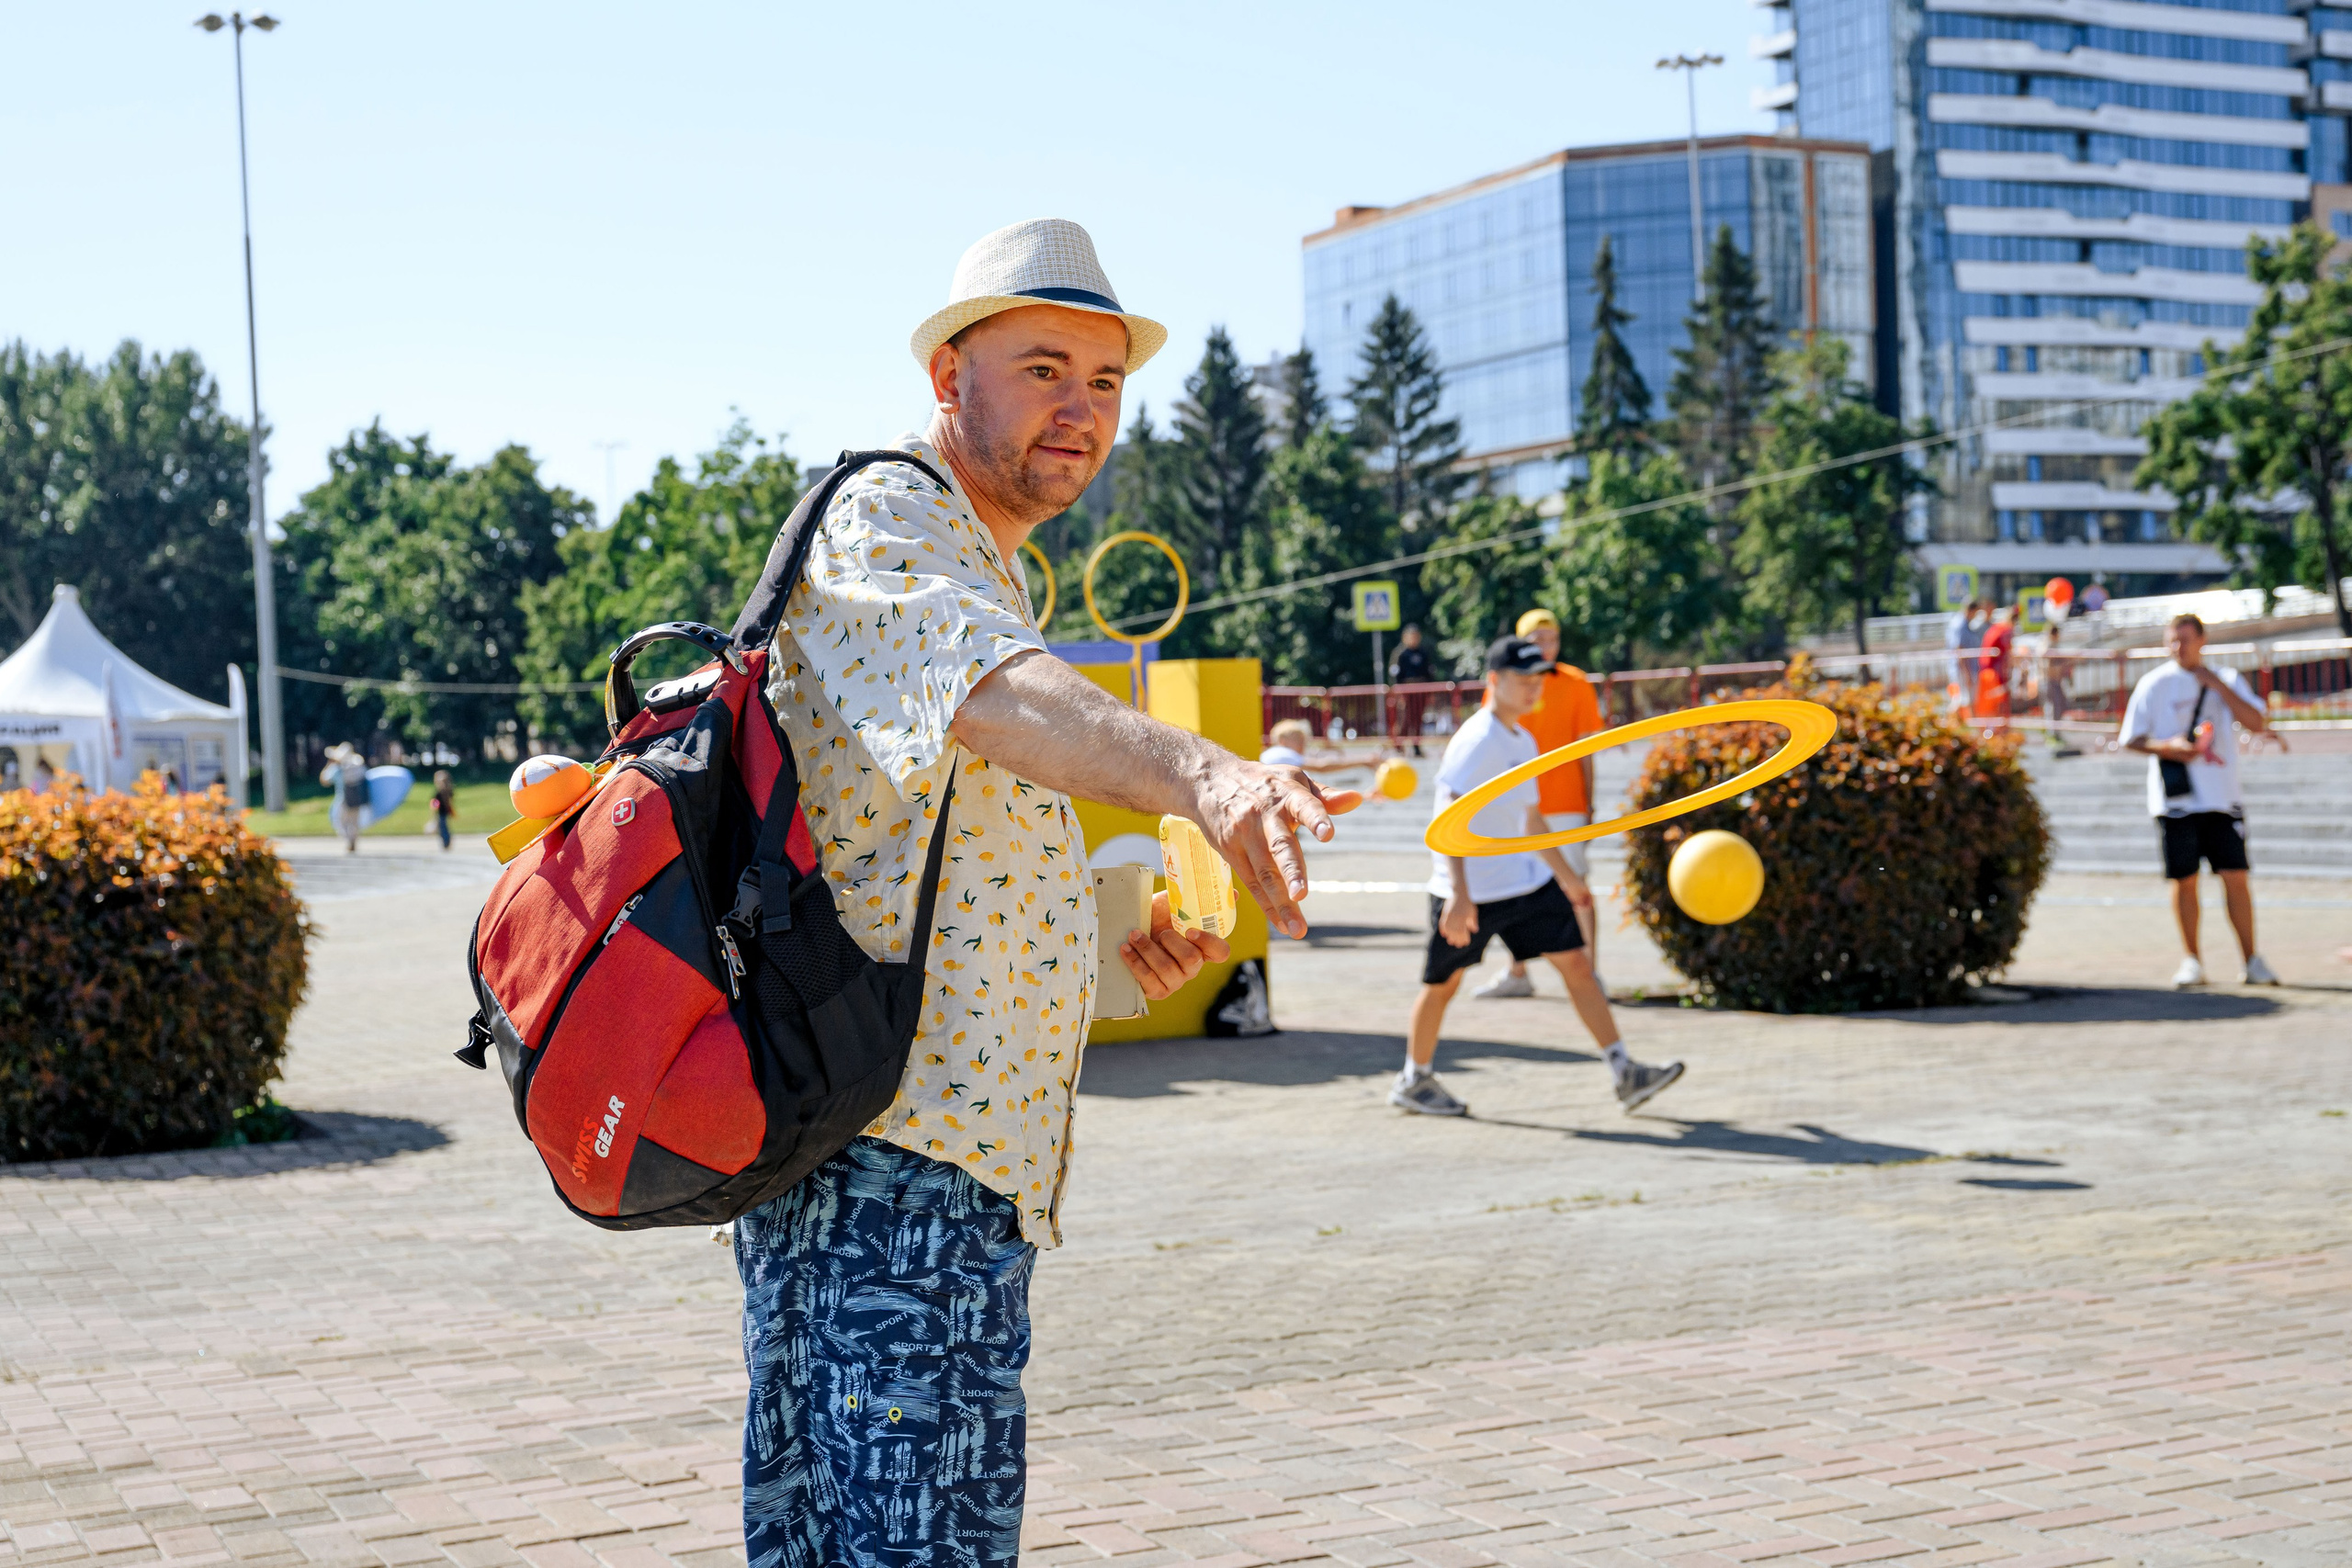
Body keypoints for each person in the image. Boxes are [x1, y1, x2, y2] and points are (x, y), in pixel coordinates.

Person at [734, 218, 1357, 1566]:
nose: (1082, 409)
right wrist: (1202, 772)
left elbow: (926, 830)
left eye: (1107, 380)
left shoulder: (975, 550)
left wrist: (1109, 916)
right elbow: (998, 699)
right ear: (951, 372)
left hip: (928, 1169)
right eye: (1042, 368)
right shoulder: (886, 513)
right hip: (891, 1171)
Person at [1396, 634, 1684, 1119]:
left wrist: (1569, 878)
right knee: (1442, 985)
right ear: (1494, 681)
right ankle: (1413, 1079)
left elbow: (1531, 822)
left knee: (1577, 966)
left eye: (1538, 679)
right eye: (1522, 679)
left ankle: (1624, 1070)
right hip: (1471, 891)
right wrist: (1460, 895)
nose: (1534, 688)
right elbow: (1445, 822)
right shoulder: (1477, 739)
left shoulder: (1523, 739)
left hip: (1524, 882)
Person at [2120, 613, 2278, 988]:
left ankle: (2251, 959)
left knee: (2235, 877)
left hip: (2222, 798)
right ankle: (2192, 960)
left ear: (2203, 640)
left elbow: (2257, 722)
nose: (2178, 647)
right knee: (2184, 880)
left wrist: (2217, 687)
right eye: (2172, 640)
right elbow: (2131, 737)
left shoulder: (2226, 678)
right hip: (2176, 800)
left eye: (2185, 639)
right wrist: (2167, 747)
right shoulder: (2153, 684)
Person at [1480, 607, 1607, 998]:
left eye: (1552, 638)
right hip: (1520, 804)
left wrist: (1589, 802)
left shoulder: (1575, 682)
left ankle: (1591, 973)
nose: (1546, 646)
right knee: (1516, 890)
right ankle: (1517, 972)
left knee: (1576, 887)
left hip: (1565, 801)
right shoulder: (1504, 684)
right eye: (1537, 639)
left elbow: (1587, 750)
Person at [1260, 716, 1368, 778]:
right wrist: (1363, 760)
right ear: (1282, 741)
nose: (1302, 744)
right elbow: (1320, 766)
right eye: (1298, 739)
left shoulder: (1272, 754)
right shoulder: (1281, 754)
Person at [1389, 623, 1433, 756]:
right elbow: (1395, 674)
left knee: (1418, 719)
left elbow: (1429, 673)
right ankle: (1398, 746)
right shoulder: (1400, 654)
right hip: (1406, 691)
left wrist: (1430, 692)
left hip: (1421, 690)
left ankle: (1416, 746)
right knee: (1405, 719)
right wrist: (1398, 693)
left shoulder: (1423, 653)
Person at [320, 744, 368, 853]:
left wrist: (328, 765)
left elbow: (324, 780)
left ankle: (349, 841)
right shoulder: (358, 766)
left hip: (343, 800)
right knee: (354, 823)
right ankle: (353, 842)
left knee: (340, 823)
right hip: (357, 799)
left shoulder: (337, 769)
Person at [1944, 598, 1984, 717]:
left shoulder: (1963, 623)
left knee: (1967, 699)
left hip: (1965, 668)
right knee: (1960, 699)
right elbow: (1960, 651)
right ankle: (1946, 723)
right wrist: (1966, 673)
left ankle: (1972, 724)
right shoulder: (1959, 625)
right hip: (1962, 669)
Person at [429, 770, 456, 851]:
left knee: (443, 828)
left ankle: (446, 842)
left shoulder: (442, 792)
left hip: (442, 812)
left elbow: (437, 802)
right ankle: (446, 841)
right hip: (443, 812)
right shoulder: (447, 791)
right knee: (444, 827)